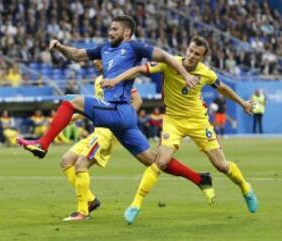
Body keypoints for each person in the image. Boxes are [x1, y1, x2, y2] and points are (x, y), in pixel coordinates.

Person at [17, 15, 208, 220]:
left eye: (115, 29)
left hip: (119, 109)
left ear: (126, 32)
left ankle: (43, 145)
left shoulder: (134, 47)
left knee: (70, 100)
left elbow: (167, 57)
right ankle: (200, 179)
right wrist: (60, 48)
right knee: (153, 160)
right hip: (120, 118)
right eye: (110, 28)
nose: (110, 32)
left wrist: (186, 75)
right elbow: (77, 55)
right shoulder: (104, 49)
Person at [102, 36, 258, 224]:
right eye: (191, 51)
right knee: (161, 162)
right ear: (187, 49)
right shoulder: (170, 63)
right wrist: (115, 80)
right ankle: (135, 205)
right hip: (173, 121)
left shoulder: (205, 72)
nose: (192, 56)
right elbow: (138, 69)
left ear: (202, 57)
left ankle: (245, 187)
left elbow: (222, 88)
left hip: (198, 121)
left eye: (197, 54)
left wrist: (242, 104)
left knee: (221, 165)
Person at [60, 60, 214, 221]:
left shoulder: (118, 77)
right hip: (100, 130)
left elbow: (137, 100)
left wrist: (122, 118)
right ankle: (199, 178)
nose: (94, 62)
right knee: (66, 161)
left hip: (109, 131)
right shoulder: (99, 81)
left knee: (80, 164)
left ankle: (82, 211)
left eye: (97, 58)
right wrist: (78, 115)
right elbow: (100, 107)